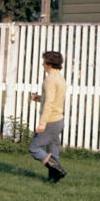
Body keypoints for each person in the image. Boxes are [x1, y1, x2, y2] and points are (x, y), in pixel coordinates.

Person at [29, 51, 68, 182]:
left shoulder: (49, 80)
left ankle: (57, 168)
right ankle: (53, 178)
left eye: (44, 61)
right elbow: (52, 99)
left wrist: (42, 123)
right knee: (53, 150)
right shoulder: (60, 78)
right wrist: (38, 98)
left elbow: (49, 103)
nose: (42, 64)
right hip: (59, 120)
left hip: (50, 121)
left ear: (49, 64)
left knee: (34, 148)